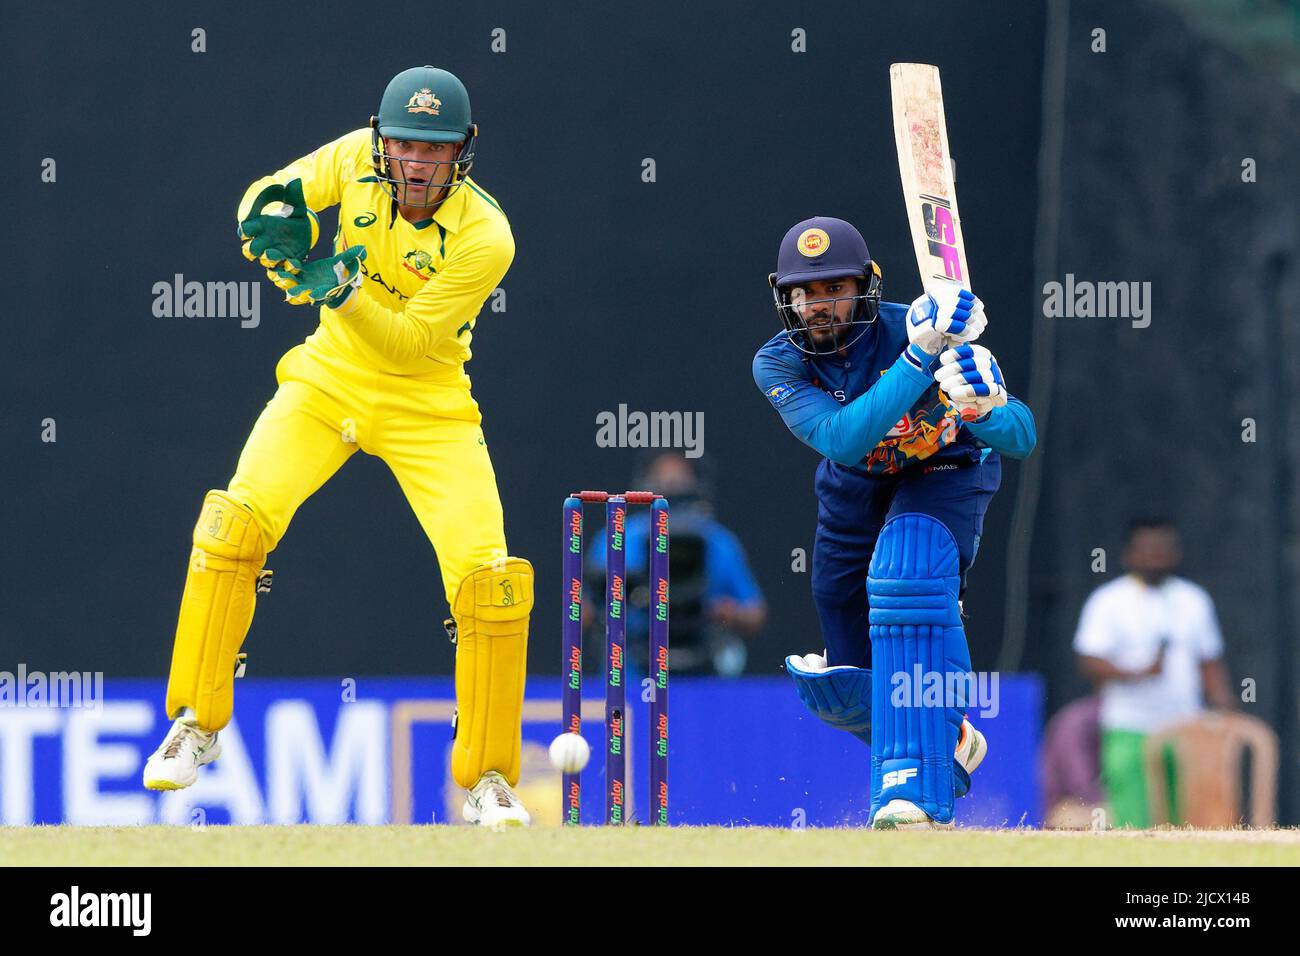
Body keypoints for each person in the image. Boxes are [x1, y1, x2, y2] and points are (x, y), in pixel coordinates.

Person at [142, 66, 534, 827]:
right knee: (234, 523)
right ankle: (196, 722)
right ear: (383, 140)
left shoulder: (488, 236)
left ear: (464, 152)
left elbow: (413, 342)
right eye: (406, 145)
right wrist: (272, 223)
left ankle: (488, 775)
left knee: (489, 579)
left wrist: (336, 288)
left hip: (430, 404)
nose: (418, 163)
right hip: (326, 385)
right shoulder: (355, 156)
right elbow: (268, 194)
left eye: (437, 149)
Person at [753, 216, 1036, 829]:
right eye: (804, 292)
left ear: (866, 286)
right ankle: (948, 735)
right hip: (854, 486)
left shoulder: (933, 325)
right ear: (785, 296)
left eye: (834, 288)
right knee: (843, 684)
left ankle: (911, 794)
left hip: (946, 473)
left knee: (907, 577)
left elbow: (1022, 437)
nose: (818, 305)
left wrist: (984, 408)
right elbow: (845, 439)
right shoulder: (777, 363)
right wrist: (918, 360)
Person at [1073, 518, 1234, 828]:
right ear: (1129, 554)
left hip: (1186, 725)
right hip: (1129, 726)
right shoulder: (1109, 600)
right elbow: (1089, 659)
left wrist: (1223, 706)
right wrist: (1137, 672)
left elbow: (1210, 662)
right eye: (1147, 550)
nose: (1155, 557)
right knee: (1132, 820)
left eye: (1163, 550)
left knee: (1189, 818)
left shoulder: (1194, 600)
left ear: (1175, 554)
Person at [584, 453, 767, 675]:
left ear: (694, 485)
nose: (670, 485)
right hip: (631, 670)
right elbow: (583, 608)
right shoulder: (616, 536)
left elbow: (755, 612)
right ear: (644, 486)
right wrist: (611, 608)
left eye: (679, 480)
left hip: (703, 668)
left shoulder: (717, 540)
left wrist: (729, 613)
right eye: (662, 479)